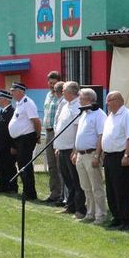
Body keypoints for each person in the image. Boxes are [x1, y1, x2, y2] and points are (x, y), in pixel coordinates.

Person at [102, 91, 129, 231]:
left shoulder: (127, 115)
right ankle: (116, 216)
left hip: (120, 156)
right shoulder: (110, 116)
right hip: (109, 156)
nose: (107, 103)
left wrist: (126, 155)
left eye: (109, 100)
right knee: (110, 188)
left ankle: (125, 219)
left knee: (122, 189)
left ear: (118, 100)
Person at [54, 81, 86, 219]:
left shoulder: (78, 106)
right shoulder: (65, 105)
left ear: (72, 92)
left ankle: (80, 208)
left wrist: (75, 149)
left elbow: (78, 129)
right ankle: (70, 205)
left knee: (76, 180)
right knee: (68, 179)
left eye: (64, 90)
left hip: (71, 148)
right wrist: (58, 146)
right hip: (62, 147)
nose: (62, 92)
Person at [74, 88, 106, 224]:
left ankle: (101, 215)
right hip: (81, 155)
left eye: (81, 99)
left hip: (91, 153)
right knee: (86, 186)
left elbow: (101, 136)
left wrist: (97, 156)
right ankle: (90, 212)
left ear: (89, 100)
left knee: (96, 186)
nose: (79, 101)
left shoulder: (99, 114)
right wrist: (75, 152)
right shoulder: (84, 114)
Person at [8, 82, 41, 200]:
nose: (11, 93)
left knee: (25, 165)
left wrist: (37, 136)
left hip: (27, 138)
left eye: (13, 90)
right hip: (19, 139)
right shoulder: (19, 103)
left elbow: (36, 121)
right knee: (21, 164)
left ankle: (30, 193)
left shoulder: (28, 103)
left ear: (20, 91)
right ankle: (26, 190)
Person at [0, 90, 18, 193]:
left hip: (6, 146)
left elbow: (12, 130)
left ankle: (12, 187)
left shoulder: (11, 112)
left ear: (5, 100)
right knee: (0, 167)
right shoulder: (2, 112)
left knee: (9, 167)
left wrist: (13, 146)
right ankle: (3, 186)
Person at [42, 71, 62, 204]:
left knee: (60, 165)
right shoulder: (48, 95)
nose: (51, 85)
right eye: (50, 82)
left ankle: (62, 195)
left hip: (57, 132)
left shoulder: (61, 97)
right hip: (48, 132)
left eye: (54, 83)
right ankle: (54, 193)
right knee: (51, 165)